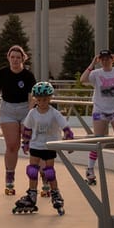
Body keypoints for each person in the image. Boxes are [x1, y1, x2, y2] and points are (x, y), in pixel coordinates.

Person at [13, 82, 74, 215]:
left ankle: (55, 194)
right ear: (35, 99)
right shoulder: (32, 113)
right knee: (32, 170)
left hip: (49, 146)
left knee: (49, 172)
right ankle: (32, 194)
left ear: (50, 98)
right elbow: (28, 129)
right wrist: (26, 142)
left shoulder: (54, 113)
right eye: (39, 100)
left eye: (45, 99)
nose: (42, 102)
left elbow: (65, 126)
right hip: (36, 145)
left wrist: (69, 137)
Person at [0, 45, 36, 195]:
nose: (15, 60)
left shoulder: (28, 76)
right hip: (8, 110)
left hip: (24, 110)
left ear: (23, 59)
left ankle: (39, 177)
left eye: (18, 57)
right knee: (12, 145)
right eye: (12, 57)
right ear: (9, 58)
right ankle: (10, 178)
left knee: (32, 144)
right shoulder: (3, 73)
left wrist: (30, 114)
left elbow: (31, 97)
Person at [79, 49, 114, 185]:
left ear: (112, 59)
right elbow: (83, 80)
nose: (105, 61)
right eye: (102, 59)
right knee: (98, 140)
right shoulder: (96, 73)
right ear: (99, 60)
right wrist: (92, 64)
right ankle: (90, 169)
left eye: (107, 58)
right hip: (100, 110)